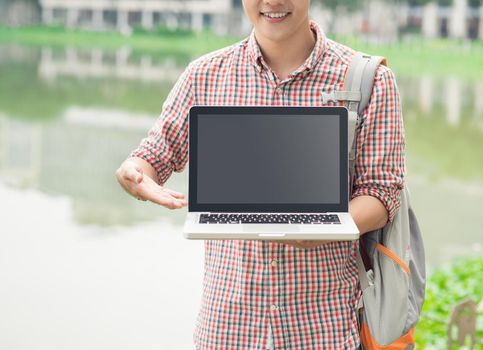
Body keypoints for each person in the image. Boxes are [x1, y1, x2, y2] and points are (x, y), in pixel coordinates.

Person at [115, 0, 405, 349]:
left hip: (323, 326)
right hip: (227, 326)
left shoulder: (369, 80)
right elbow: (153, 156)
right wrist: (135, 175)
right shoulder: (204, 75)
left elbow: (382, 193)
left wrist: (321, 227)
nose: (273, 1)